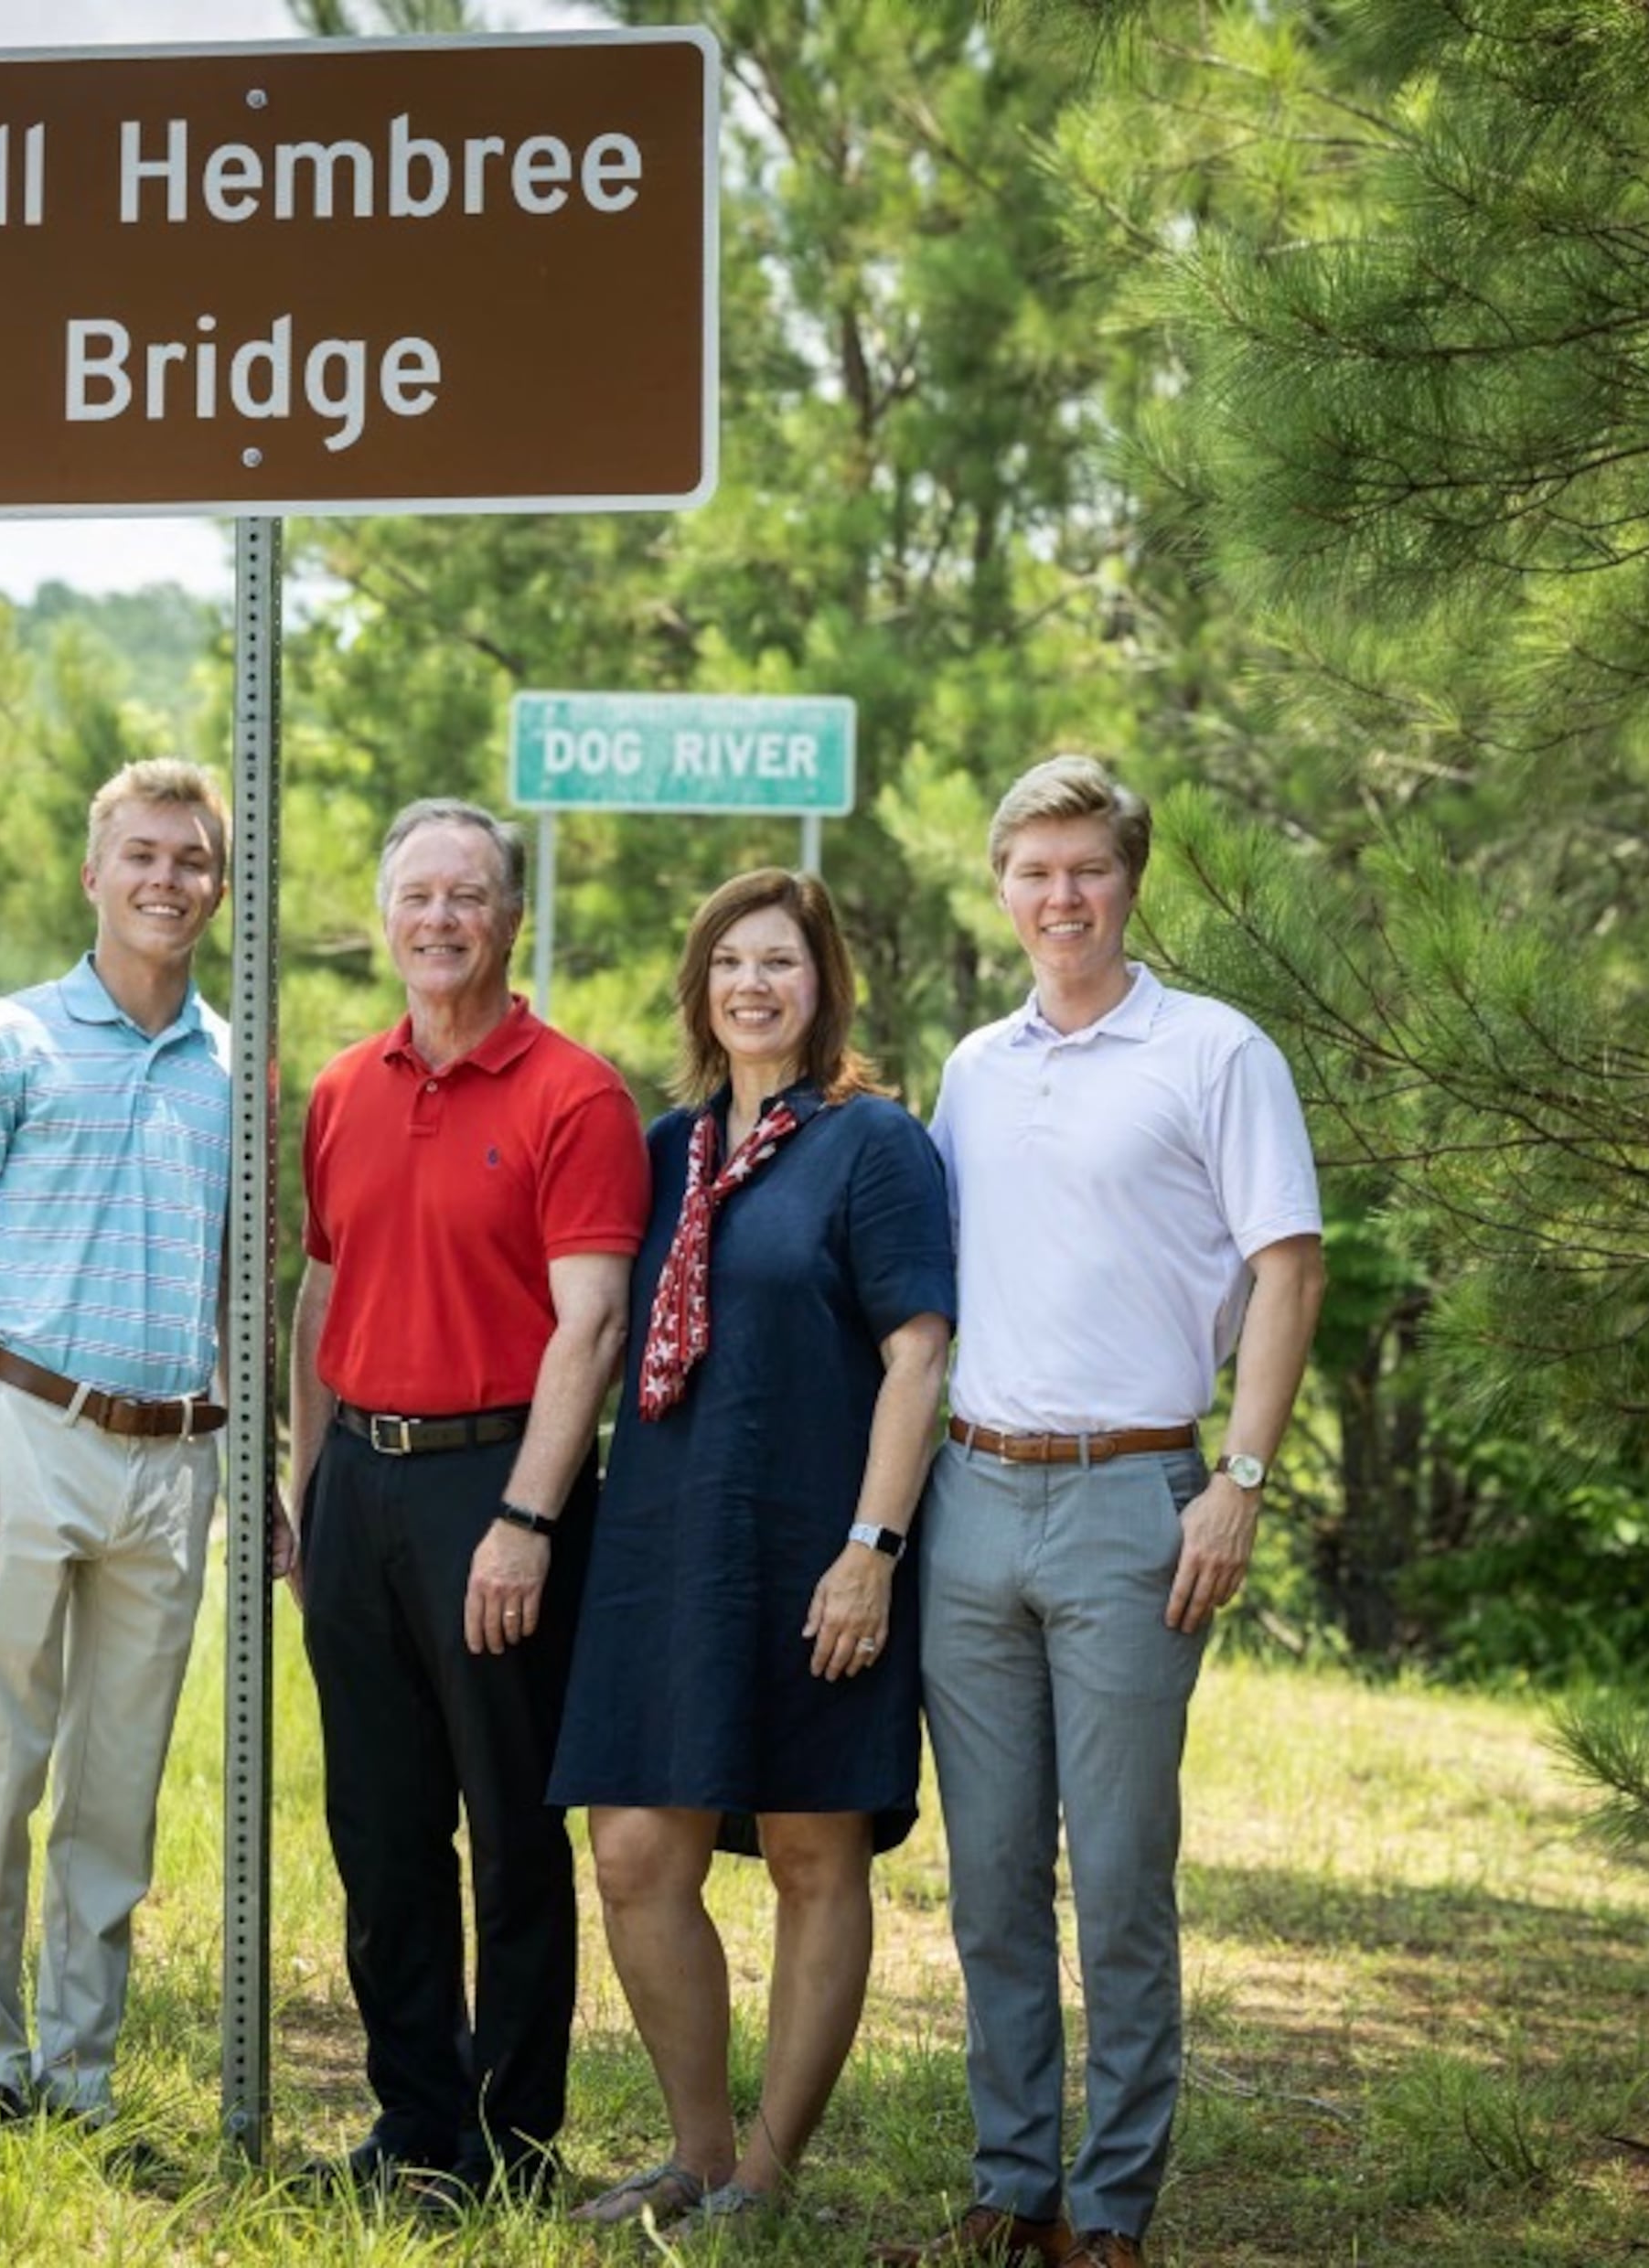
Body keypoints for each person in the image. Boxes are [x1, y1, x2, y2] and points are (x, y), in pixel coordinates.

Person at [882, 755, 1326, 2268]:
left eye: (1088, 870)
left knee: (1122, 1880)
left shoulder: (1215, 1051)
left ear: (1131, 881)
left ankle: (1115, 2212)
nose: (1060, 897)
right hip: (974, 1501)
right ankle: (1015, 2197)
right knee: (993, 1884)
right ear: (1001, 888)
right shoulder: (975, 1068)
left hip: (1142, 1498)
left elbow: (1289, 1270)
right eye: (1033, 872)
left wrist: (1238, 1488)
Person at [551, 869, 955, 2230]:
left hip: (812, 1538)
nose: (752, 986)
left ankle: (769, 2178)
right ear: (699, 988)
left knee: (807, 1852)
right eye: (729, 963)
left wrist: (872, 1546)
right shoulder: (663, 1148)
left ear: (822, 981)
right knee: (632, 1853)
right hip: (663, 1539)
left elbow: (919, 1356)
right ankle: (698, 2153)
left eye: (778, 962)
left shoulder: (873, 1143)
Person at [284, 797, 649, 2202]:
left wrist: (528, 1520)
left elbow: (593, 1328)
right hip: (358, 1491)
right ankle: (413, 2128)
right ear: (388, 916)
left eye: (468, 897)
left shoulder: (574, 1093)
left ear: (511, 920)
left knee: (507, 1826)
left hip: (499, 1486)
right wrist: (304, 1484)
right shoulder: (341, 1089)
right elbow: (318, 1294)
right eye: (416, 897)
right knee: (379, 1829)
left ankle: (511, 2140)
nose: (439, 920)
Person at [0, 759, 235, 2130]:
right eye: (143, 855)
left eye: (193, 860)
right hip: (29, 1430)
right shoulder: (6, 1039)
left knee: (119, 1787)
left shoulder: (236, 1064)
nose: (167, 880)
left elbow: (253, 1276)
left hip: (177, 1458)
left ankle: (78, 2072)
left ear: (217, 889)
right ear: (93, 874)